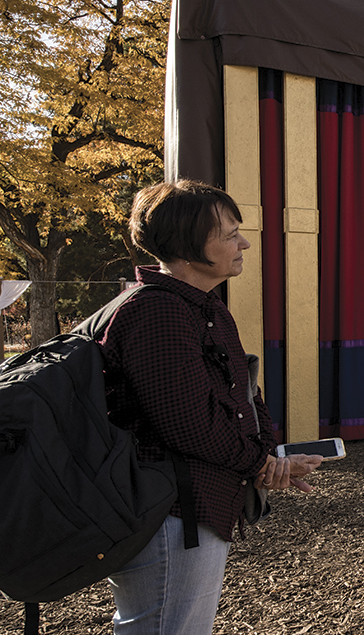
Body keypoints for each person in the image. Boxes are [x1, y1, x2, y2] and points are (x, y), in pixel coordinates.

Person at [100, 180, 322, 635]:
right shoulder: (156, 313)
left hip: (191, 508)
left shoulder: (206, 308)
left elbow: (243, 396)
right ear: (186, 247)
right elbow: (189, 424)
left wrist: (267, 458)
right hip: (167, 514)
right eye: (227, 234)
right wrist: (260, 462)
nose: (242, 243)